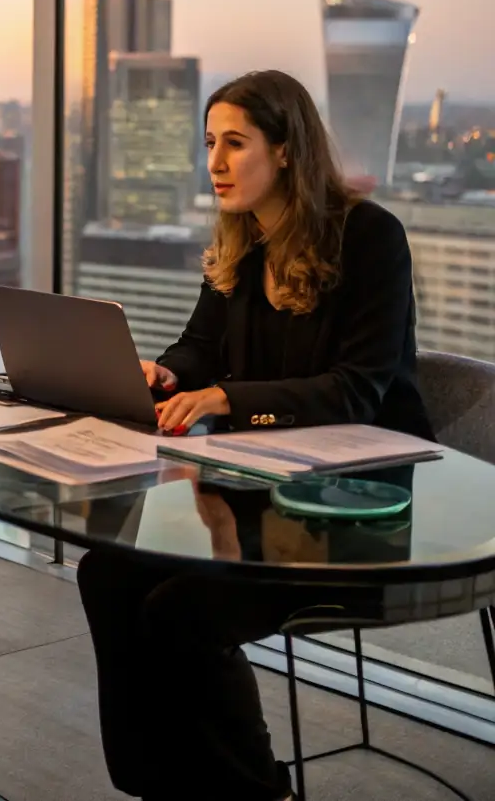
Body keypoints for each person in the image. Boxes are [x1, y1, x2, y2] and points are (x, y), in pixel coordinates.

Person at [77, 69, 434, 801]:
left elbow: (355, 390)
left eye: (234, 143)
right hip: (262, 492)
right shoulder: (241, 241)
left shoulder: (370, 237)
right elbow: (197, 347)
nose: (213, 162)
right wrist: (166, 375)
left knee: (183, 612)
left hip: (361, 505)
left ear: (287, 150)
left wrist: (226, 398)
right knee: (106, 573)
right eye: (209, 142)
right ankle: (159, 781)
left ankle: (256, 791)